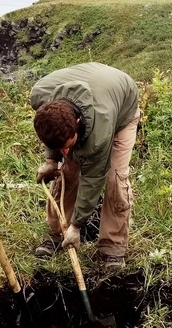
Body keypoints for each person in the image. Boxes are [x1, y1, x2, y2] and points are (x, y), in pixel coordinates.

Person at [30, 62, 141, 271]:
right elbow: (53, 132)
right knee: (68, 173)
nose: (65, 152)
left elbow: (93, 178)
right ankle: (57, 236)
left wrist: (77, 225)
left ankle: (112, 247)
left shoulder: (99, 134)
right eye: (59, 148)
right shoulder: (41, 96)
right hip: (93, 83)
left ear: (78, 123)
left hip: (121, 108)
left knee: (114, 179)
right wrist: (51, 161)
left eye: (67, 146)